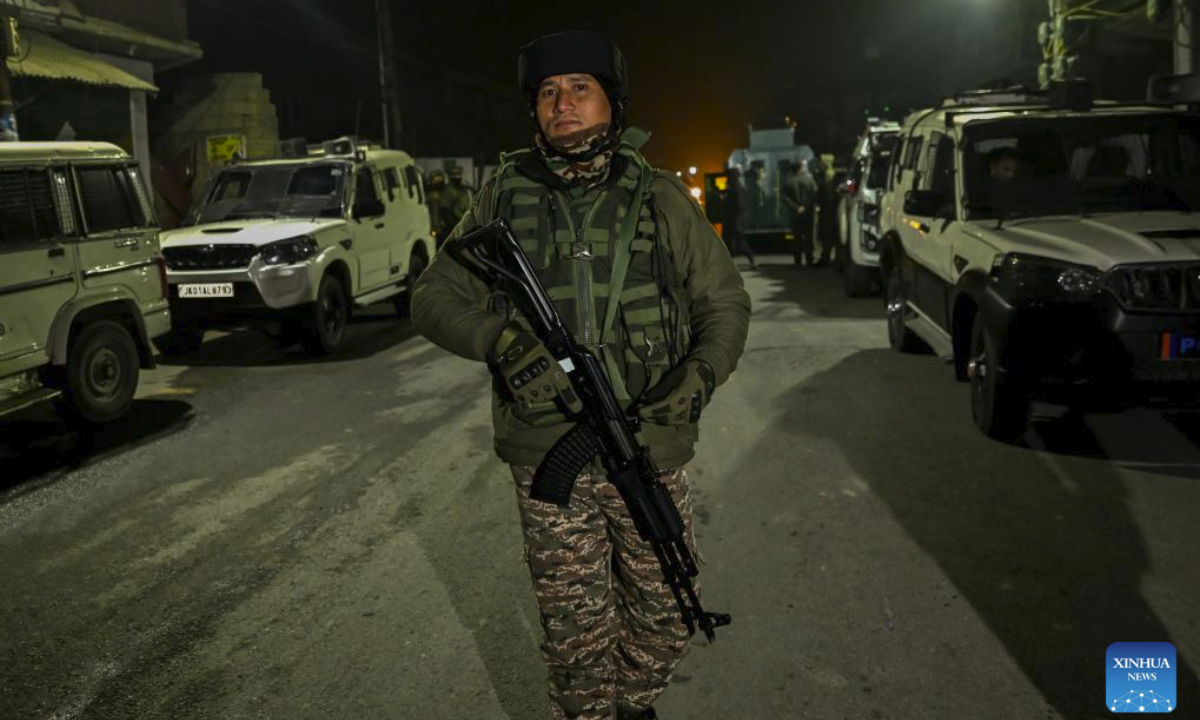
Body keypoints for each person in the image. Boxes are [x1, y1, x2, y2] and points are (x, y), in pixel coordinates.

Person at [411, 30, 750, 720]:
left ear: (612, 103)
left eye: (579, 88)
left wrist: (701, 377)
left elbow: (723, 303)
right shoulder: (502, 199)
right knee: (575, 631)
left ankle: (631, 702)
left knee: (668, 607)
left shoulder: (659, 200)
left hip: (647, 446)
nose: (561, 103)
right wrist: (504, 343)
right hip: (548, 456)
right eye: (547, 92)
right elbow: (431, 297)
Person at [781, 159, 818, 267]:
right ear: (801, 168)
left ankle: (797, 261)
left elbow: (784, 197)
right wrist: (805, 206)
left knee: (796, 237)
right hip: (808, 213)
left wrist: (796, 207)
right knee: (808, 236)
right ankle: (809, 260)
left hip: (794, 214)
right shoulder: (809, 180)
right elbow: (814, 195)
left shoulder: (788, 181)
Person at [722, 166, 757, 270]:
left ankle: (751, 261)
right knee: (732, 242)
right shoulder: (735, 186)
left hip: (734, 220)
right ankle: (732, 263)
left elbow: (739, 204)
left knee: (738, 242)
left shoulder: (735, 187)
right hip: (734, 219)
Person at [444, 165, 475, 230]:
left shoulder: (466, 189)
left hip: (468, 220)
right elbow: (447, 209)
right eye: (454, 175)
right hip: (455, 223)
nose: (457, 177)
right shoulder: (448, 190)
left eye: (458, 175)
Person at [425, 169, 450, 241]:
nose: (438, 182)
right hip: (434, 227)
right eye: (435, 180)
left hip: (446, 226)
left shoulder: (447, 192)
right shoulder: (430, 194)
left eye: (440, 180)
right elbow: (433, 214)